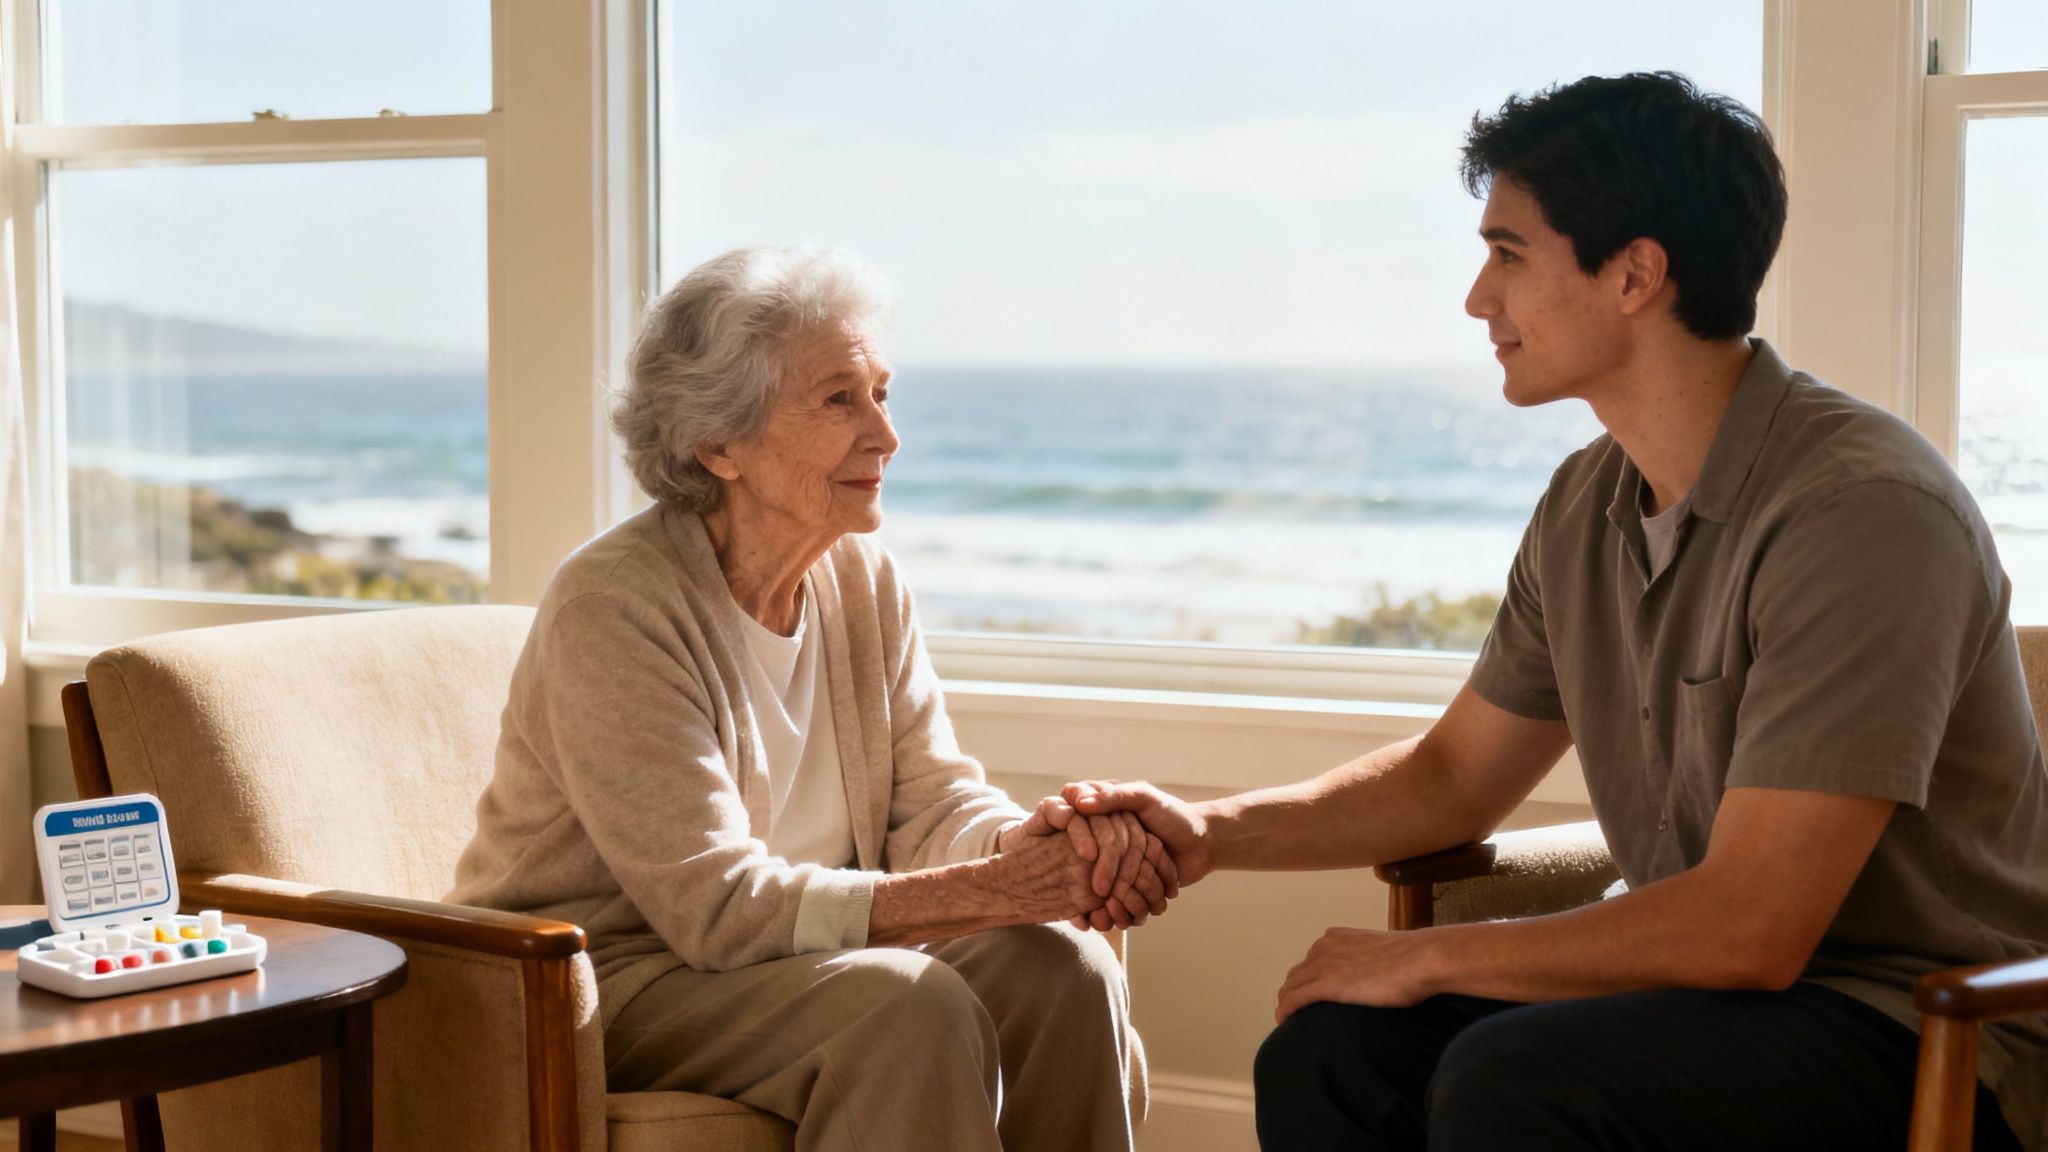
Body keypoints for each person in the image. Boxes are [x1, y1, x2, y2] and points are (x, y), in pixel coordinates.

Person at [1067, 72, 2047, 1151]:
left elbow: (1753, 927)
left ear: (1633, 275)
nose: (1477, 300)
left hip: (1919, 1029)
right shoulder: (1586, 502)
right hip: (1708, 1000)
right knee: (1330, 1053)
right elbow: (1450, 779)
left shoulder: (1859, 512)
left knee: (1521, 1078)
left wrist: (1426, 956)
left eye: (1506, 254)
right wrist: (1206, 832)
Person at [448, 246, 1171, 1151]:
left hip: (793, 962)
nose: (886, 434)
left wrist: (1023, 847)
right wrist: (994, 886)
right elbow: (716, 907)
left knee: (1062, 965)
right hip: (611, 978)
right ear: (720, 443)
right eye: (840, 399)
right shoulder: (615, 607)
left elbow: (931, 799)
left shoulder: (861, 576)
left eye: (882, 391)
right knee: (904, 1009)